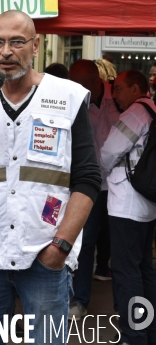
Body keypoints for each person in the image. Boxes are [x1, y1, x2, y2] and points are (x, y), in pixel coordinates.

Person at [0, 10, 101, 345]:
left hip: (45, 255)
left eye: (16, 42)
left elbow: (87, 178)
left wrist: (60, 247)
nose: (7, 52)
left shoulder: (67, 97)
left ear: (36, 46)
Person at [101, 70, 156, 345]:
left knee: (126, 271)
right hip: (147, 205)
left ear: (136, 88)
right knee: (144, 269)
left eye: (120, 89)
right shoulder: (153, 110)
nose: (115, 95)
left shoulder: (135, 113)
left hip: (126, 203)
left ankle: (133, 335)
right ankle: (148, 331)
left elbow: (109, 151)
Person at [68, 59, 120, 320]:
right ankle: (79, 300)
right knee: (85, 242)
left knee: (120, 246)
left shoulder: (119, 99)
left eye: (78, 83)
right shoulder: (74, 101)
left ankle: (126, 309)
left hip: (119, 187)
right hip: (89, 184)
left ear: (93, 82)